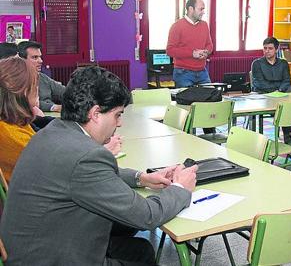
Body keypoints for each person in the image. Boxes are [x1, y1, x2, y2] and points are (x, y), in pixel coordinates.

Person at [0, 66, 198, 265]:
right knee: (138, 246)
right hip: (54, 256)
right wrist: (180, 188)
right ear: (95, 113)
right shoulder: (86, 156)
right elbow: (147, 216)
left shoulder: (54, 130)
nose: (119, 123)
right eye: (117, 115)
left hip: (38, 245)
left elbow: (81, 175)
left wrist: (141, 177)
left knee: (140, 250)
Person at [0, 57, 41, 181]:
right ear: (24, 91)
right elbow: (52, 162)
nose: (37, 88)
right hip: (30, 196)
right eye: (34, 83)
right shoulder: (11, 134)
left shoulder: (12, 123)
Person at [167, 0, 213, 87]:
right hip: (183, 73)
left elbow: (209, 45)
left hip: (202, 71)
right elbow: (170, 50)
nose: (203, 12)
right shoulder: (177, 26)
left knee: (210, 98)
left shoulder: (204, 25)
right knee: (186, 100)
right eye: (201, 9)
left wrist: (206, 52)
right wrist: (192, 54)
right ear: (191, 9)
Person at [18, 41, 66, 112]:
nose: (41, 61)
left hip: (50, 118)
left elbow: (64, 92)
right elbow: (26, 103)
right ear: (21, 60)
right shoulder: (15, 80)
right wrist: (54, 107)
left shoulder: (42, 77)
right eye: (35, 57)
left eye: (40, 57)